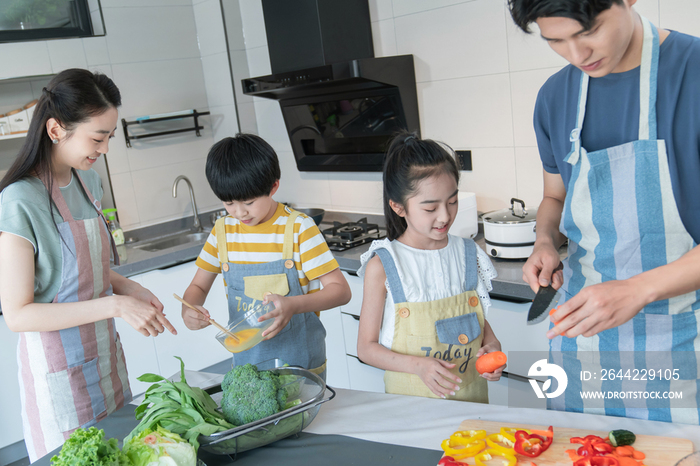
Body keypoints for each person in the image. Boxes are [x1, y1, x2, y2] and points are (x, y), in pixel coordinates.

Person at [509, 0, 700, 422]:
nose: (577, 56)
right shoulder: (555, 98)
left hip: (687, 335)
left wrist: (635, 290)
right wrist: (545, 241)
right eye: (555, 41)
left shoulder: (693, 72)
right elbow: (555, 198)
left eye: (588, 31)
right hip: (586, 341)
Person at [0, 69, 176, 462]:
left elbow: (79, 269)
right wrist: (115, 305)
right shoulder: (19, 201)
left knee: (122, 453)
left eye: (109, 136)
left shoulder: (89, 183)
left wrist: (129, 288)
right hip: (58, 373)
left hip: (104, 359)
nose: (105, 148)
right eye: (98, 137)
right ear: (56, 129)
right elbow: (18, 314)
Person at [181, 134, 351, 380]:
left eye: (249, 202)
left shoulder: (299, 229)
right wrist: (189, 309)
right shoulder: (222, 231)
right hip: (246, 368)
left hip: (299, 366)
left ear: (273, 186)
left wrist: (292, 306)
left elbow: (341, 291)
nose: (240, 212)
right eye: (229, 203)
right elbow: (197, 286)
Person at [356, 132, 503, 401]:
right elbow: (366, 348)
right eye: (430, 208)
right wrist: (419, 367)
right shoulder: (385, 264)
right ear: (399, 207)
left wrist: (492, 347)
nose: (445, 216)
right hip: (411, 407)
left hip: (472, 403)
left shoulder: (469, 253)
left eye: (452, 201)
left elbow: (475, 319)